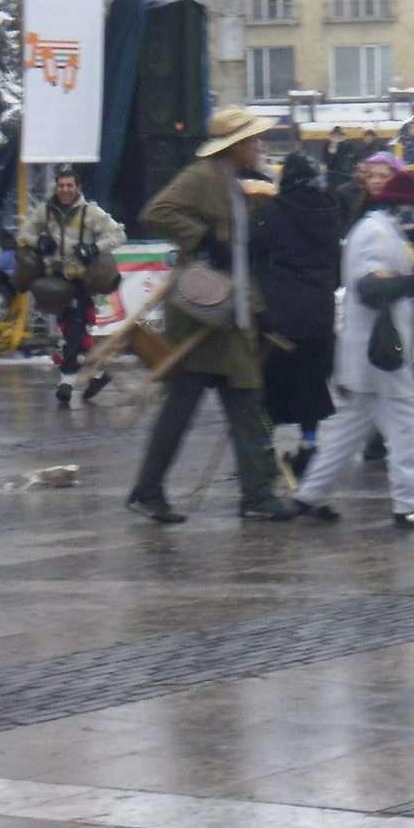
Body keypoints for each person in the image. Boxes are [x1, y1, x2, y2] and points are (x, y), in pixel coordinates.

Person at [125, 107, 297, 525]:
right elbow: (157, 212)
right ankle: (152, 491)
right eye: (253, 139)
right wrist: (202, 239)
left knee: (243, 404)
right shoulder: (201, 177)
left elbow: (236, 259)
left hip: (228, 314)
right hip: (202, 314)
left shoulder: (234, 186)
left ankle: (254, 494)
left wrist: (258, 311)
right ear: (236, 145)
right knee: (190, 407)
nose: (259, 145)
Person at [291, 169, 414, 528]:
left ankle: (309, 496)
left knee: (347, 432)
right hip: (381, 353)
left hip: (369, 352)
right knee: (407, 427)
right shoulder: (377, 233)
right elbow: (370, 288)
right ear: (399, 206)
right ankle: (411, 504)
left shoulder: (384, 231)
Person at [252, 153, 341, 477]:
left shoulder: (271, 212)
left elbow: (252, 251)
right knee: (312, 382)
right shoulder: (330, 211)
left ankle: (266, 450)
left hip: (279, 315)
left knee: (270, 384)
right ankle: (308, 445)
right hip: (319, 313)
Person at [19, 165, 126, 407]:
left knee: (74, 328)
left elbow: (118, 235)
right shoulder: (45, 211)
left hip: (81, 280)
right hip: (55, 280)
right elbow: (24, 234)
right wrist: (39, 241)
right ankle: (99, 375)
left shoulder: (91, 212)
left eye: (70, 185)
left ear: (78, 188)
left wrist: (94, 248)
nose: (65, 190)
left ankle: (66, 381)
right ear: (56, 187)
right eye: (61, 185)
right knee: (71, 329)